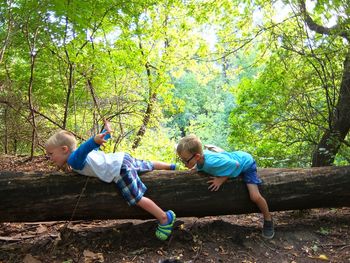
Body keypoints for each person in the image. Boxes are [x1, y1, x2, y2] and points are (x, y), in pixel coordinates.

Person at [45, 121, 176, 241]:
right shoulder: (81, 157)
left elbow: (85, 148)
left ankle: (164, 217)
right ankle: (170, 166)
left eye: (51, 154)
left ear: (64, 149)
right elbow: (92, 149)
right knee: (146, 164)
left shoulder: (74, 159)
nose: (49, 157)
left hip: (119, 170)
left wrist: (94, 141)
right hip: (122, 158)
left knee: (136, 198)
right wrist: (105, 135)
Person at [176, 134, 274, 239]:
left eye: (185, 160)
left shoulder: (211, 163)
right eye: (181, 160)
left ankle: (268, 219)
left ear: (197, 157)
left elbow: (235, 164)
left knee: (254, 196)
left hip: (246, 164)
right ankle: (217, 150)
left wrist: (220, 180)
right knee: (223, 156)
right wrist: (195, 168)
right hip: (233, 156)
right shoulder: (200, 159)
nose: (184, 164)